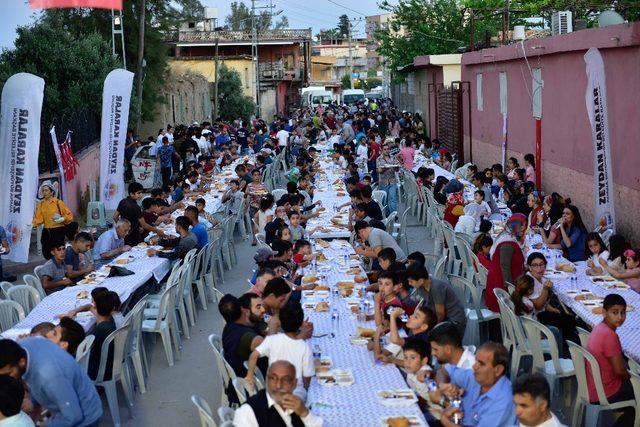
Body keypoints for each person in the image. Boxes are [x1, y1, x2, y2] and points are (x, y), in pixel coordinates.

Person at [0, 338, 102, 426]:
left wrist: (44, 424)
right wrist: (33, 402)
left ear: (21, 362)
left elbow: (73, 417)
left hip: (84, 418)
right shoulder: (24, 346)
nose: (5, 380)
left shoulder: (49, 376)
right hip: (66, 403)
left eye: (9, 373)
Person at [433, 342, 515, 427]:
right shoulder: (475, 377)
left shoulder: (503, 399)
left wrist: (445, 421)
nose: (474, 366)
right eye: (476, 361)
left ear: (498, 370)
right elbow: (445, 371)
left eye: (481, 364)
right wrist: (443, 385)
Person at [245, 301, 314, 399]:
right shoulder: (304, 347)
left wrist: (249, 376)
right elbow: (307, 377)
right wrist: (305, 388)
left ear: (281, 322)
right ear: (300, 323)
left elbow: (253, 355)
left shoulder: (271, 340)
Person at [586, 294, 635, 426]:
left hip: (595, 385)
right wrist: (632, 379)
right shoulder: (609, 335)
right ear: (604, 312)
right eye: (615, 313)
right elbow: (620, 371)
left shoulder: (599, 328)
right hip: (608, 390)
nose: (620, 317)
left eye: (623, 313)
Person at [233, 360, 322, 427]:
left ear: (294, 384)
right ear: (267, 380)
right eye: (273, 378)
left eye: (285, 379)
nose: (279, 385)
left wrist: (304, 413)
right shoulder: (248, 412)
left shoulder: (293, 403)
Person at [405, 262, 467, 336]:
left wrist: (431, 328)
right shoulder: (421, 287)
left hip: (454, 319)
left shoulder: (436, 288)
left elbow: (440, 314)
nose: (409, 283)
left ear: (421, 280)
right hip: (440, 316)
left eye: (411, 281)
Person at [486, 213, 527, 313]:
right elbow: (505, 266)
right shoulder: (507, 243)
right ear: (515, 226)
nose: (524, 229)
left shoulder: (509, 236)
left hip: (502, 282)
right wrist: (510, 290)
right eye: (522, 226)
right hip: (501, 286)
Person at [219, 294, 266, 378]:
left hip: (238, 377)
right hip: (253, 382)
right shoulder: (248, 337)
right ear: (243, 309)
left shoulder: (229, 328)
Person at [33, 181, 73, 260]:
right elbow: (39, 218)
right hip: (47, 231)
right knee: (47, 252)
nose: (44, 192)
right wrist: (32, 224)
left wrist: (63, 218)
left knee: (58, 251)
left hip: (58, 231)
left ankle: (61, 267)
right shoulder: (41, 204)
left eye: (46, 190)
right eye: (43, 190)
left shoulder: (58, 203)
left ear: (52, 192)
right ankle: (51, 267)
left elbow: (69, 215)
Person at [86, 290, 117, 380]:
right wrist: (77, 310)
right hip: (112, 364)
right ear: (113, 308)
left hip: (99, 371)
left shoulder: (98, 331)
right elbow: (90, 308)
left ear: (95, 306)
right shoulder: (111, 320)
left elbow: (84, 349)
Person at [376, 142, 400, 213]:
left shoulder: (393, 157)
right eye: (385, 149)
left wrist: (396, 167)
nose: (387, 150)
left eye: (388, 149)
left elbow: (397, 168)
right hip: (383, 182)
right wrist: (386, 167)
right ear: (382, 150)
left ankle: (394, 215)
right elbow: (379, 170)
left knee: (393, 198)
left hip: (392, 181)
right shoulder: (379, 159)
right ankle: (386, 214)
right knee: (384, 199)